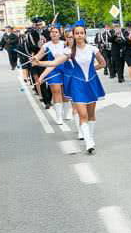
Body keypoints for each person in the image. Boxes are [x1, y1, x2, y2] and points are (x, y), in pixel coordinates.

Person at [35, 22, 107, 153]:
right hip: (77, 85)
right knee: (82, 114)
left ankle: (90, 137)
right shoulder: (69, 51)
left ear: (85, 34)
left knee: (91, 114)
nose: (79, 35)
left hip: (91, 83)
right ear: (73, 35)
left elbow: (103, 63)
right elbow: (54, 62)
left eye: (81, 33)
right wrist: (38, 62)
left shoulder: (93, 49)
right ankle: (88, 142)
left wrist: (92, 70)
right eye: (77, 33)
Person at [31, 25, 69, 124]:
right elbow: (39, 55)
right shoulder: (46, 45)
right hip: (52, 69)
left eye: (56, 32)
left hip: (65, 69)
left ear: (59, 34)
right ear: (50, 34)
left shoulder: (65, 44)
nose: (54, 33)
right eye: (52, 32)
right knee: (56, 91)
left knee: (65, 92)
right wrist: (34, 58)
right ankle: (59, 116)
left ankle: (66, 113)